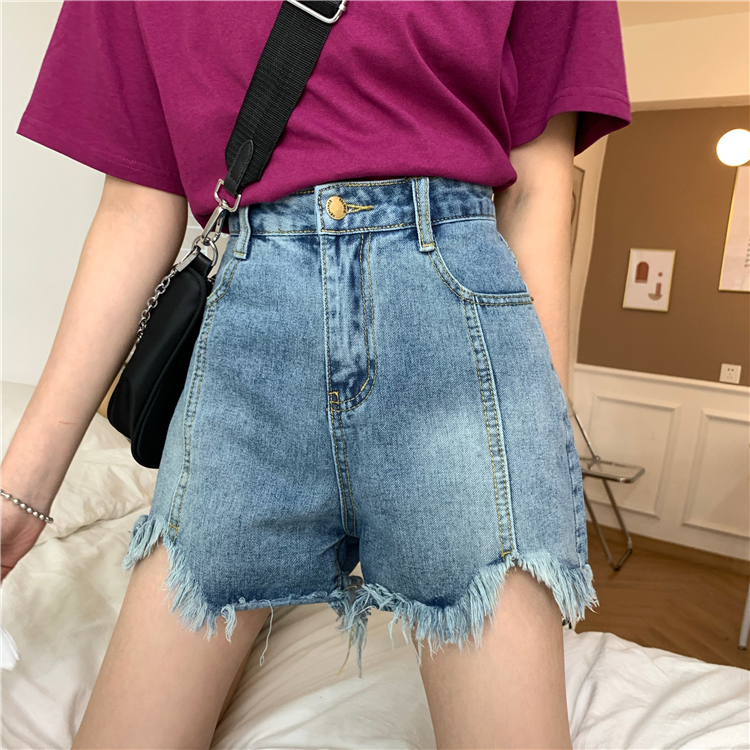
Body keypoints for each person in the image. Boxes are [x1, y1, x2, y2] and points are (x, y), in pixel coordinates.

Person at [2, 1, 631, 747]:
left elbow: (536, 184)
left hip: (460, 348)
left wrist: (539, 449)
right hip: (247, 355)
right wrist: (21, 492)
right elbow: (137, 205)